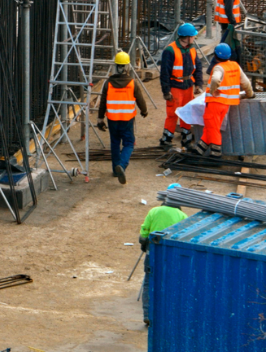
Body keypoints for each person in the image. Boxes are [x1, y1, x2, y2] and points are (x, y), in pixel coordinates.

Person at [190, 42, 253, 158]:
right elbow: (246, 82)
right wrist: (250, 94)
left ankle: (216, 153)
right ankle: (199, 149)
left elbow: (215, 79)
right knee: (211, 127)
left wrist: (213, 90)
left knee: (213, 129)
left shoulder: (219, 68)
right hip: (226, 105)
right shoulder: (235, 66)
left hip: (215, 103)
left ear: (215, 56)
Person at [96, 51, 149, 184]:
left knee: (115, 143)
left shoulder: (108, 83)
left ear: (116, 66)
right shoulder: (132, 83)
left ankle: (115, 170)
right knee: (129, 143)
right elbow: (140, 99)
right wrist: (144, 111)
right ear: (127, 67)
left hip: (112, 119)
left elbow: (103, 102)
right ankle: (122, 165)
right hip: (127, 120)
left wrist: (100, 118)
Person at [139, 186, 188, 326]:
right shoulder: (182, 216)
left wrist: (144, 243)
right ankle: (166, 316)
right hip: (172, 256)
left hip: (152, 253)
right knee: (170, 284)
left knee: (149, 282)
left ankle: (148, 314)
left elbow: (144, 233)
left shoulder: (154, 211)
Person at [159, 22, 204, 150]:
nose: (194, 38)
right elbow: (164, 73)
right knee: (173, 114)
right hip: (175, 86)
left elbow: (198, 68)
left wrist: (198, 84)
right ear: (187, 37)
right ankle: (166, 140)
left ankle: (186, 140)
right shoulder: (170, 50)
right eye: (193, 36)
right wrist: (166, 91)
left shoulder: (192, 49)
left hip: (188, 86)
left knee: (187, 113)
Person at [214, 0, 245, 64]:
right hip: (228, 23)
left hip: (224, 22)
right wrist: (233, 22)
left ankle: (224, 64)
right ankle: (226, 65)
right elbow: (228, 7)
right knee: (228, 47)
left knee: (225, 45)